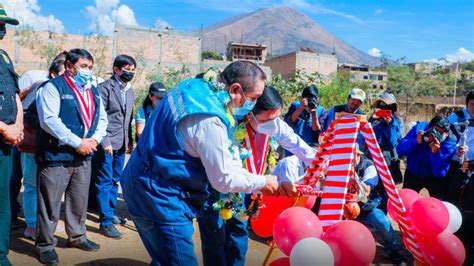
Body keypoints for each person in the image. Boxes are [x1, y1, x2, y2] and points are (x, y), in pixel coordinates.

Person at [120, 61, 296, 265]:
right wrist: (264, 182)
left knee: (164, 257)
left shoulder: (194, 87)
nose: (253, 105)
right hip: (159, 198)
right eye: (253, 99)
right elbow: (224, 178)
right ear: (235, 89)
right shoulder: (209, 118)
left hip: (143, 181)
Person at [198, 86, 316, 266]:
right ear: (250, 113)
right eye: (267, 119)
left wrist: (320, 162)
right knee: (215, 236)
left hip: (251, 187)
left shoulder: (274, 124)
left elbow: (296, 143)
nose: (273, 122)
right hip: (219, 187)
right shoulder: (230, 126)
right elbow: (229, 172)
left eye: (277, 117)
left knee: (239, 233)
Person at [35, 48, 108, 264]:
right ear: (69, 66)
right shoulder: (52, 87)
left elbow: (101, 118)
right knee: (50, 203)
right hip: (56, 155)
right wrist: (77, 143)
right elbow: (48, 120)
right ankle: (45, 245)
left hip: (84, 155)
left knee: (79, 200)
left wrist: (93, 140)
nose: (88, 71)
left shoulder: (92, 90)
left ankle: (77, 236)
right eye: (84, 66)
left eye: (91, 67)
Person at [16, 57, 65, 241]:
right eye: (63, 73)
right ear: (53, 74)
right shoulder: (41, 87)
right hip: (33, 146)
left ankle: (44, 222)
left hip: (52, 147)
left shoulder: (64, 90)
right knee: (30, 185)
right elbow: (26, 112)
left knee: (49, 186)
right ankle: (31, 224)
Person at [92, 54, 136, 239]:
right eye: (126, 69)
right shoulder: (104, 88)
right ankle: (105, 221)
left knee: (114, 179)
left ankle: (109, 212)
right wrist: (105, 142)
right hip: (107, 142)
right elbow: (98, 117)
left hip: (121, 142)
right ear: (116, 69)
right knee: (104, 179)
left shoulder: (130, 90)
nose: (130, 73)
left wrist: (130, 141)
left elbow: (128, 118)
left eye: (133, 70)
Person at [349, 145, 405, 264]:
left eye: (350, 155)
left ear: (358, 155)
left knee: (382, 223)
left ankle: (393, 250)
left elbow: (366, 191)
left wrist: (353, 174)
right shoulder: (338, 167)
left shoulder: (369, 166)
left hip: (366, 206)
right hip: (344, 206)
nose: (347, 159)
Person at [0, 6, 24, 266]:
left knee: (4, 201)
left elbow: (15, 94)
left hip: (6, 143)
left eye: (4, 23)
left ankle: (1, 256)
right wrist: (5, 128)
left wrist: (18, 126)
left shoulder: (4, 57)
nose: (2, 28)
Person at [397, 115, 457, 199]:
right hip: (413, 172)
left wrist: (435, 153)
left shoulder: (450, 142)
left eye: (440, 132)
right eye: (435, 130)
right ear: (429, 127)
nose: (436, 135)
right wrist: (416, 142)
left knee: (437, 205)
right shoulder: (419, 128)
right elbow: (400, 149)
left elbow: (440, 173)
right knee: (406, 201)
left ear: (447, 133)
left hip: (434, 178)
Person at [446, 91, 474, 203]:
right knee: (452, 195)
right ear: (467, 104)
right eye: (472, 104)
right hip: (455, 164)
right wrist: (456, 150)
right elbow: (446, 141)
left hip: (472, 165)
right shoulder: (456, 118)